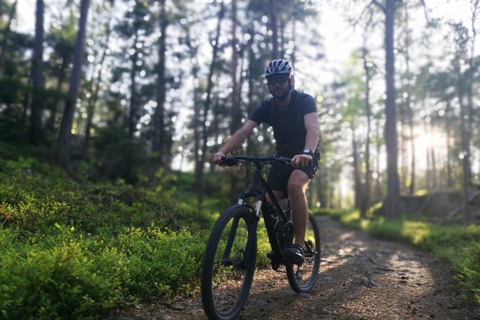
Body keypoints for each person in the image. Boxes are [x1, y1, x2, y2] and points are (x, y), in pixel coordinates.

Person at [210, 59, 320, 265]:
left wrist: (307, 152)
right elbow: (244, 131)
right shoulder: (267, 108)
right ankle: (281, 240)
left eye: (281, 80)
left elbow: (312, 128)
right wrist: (223, 151)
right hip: (282, 156)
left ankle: (297, 244)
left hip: (306, 152)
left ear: (290, 81)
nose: (277, 84)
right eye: (272, 81)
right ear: (268, 85)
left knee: (295, 185)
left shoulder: (304, 100)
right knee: (270, 203)